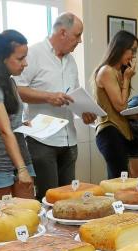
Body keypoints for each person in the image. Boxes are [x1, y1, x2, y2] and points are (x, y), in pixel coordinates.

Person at [16, 12, 96, 200]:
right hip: (42, 142)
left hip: (69, 141)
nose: (80, 41)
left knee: (69, 199)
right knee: (48, 200)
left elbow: (74, 96)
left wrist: (85, 112)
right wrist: (48, 97)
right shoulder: (33, 54)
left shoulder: (71, 61)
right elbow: (18, 90)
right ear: (62, 33)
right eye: (77, 35)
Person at [0, 28, 35, 202]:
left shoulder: (10, 81)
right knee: (3, 219)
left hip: (20, 157)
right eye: (20, 58)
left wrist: (21, 124)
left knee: (29, 211)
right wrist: (22, 169)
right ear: (2, 58)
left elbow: (9, 123)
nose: (25, 63)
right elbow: (4, 130)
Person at [93, 30, 138, 179]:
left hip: (121, 130)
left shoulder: (119, 71)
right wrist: (126, 78)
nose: (133, 55)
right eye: (132, 50)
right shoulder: (107, 71)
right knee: (119, 180)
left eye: (135, 51)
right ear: (120, 47)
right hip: (109, 131)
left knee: (123, 179)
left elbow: (121, 109)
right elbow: (120, 106)